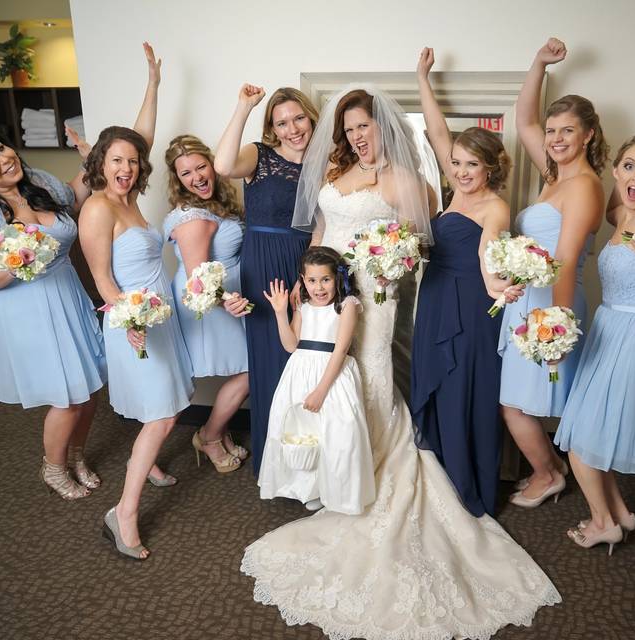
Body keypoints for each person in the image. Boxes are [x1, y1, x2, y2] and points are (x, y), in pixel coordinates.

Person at [241, 84, 560, 640]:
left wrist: (391, 271)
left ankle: (371, 468)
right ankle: (333, 472)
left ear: (382, 128)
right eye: (350, 129)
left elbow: (420, 247)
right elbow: (320, 230)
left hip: (374, 294)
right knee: (324, 378)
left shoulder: (407, 180)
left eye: (365, 127)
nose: (357, 137)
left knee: (367, 380)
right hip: (325, 291)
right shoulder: (336, 174)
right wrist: (303, 285)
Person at [0, 123, 105, 501]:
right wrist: (15, 263)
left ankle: (76, 455)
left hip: (65, 291)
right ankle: (53, 468)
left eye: (2, 149)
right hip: (24, 307)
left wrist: (90, 162)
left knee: (91, 386)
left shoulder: (39, 182)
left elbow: (74, 198)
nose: (4, 159)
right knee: (65, 396)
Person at [79, 43, 193, 560]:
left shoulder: (129, 198)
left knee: (163, 403)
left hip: (158, 315)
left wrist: (153, 80)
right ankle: (122, 512)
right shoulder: (99, 208)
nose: (126, 166)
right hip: (132, 320)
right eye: (116, 160)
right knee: (164, 416)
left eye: (131, 161)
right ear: (99, 162)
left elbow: (138, 136)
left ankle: (145, 463)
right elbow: (102, 278)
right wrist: (129, 321)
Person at [554, 133, 635, 554]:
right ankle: (622, 513)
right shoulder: (620, 213)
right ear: (616, 171)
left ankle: (603, 523)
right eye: (629, 165)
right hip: (606, 328)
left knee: (580, 442)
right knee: (595, 432)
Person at [500, 37, 606, 508]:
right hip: (527, 302)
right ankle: (553, 470)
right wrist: (538, 62)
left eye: (567, 131)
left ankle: (549, 474)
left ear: (588, 135)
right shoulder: (553, 175)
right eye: (553, 131)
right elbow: (524, 119)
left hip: (551, 306)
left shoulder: (583, 186)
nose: (556, 138)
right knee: (518, 400)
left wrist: (555, 328)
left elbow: (564, 261)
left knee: (517, 404)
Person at [410, 47, 511, 517]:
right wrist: (422, 79)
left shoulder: (495, 206)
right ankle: (438, 474)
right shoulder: (453, 191)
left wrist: (497, 290)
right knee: (437, 385)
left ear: (490, 167)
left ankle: (465, 481)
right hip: (434, 299)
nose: (462, 172)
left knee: (464, 389)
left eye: (472, 165)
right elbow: (437, 133)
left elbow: (488, 257)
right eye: (457, 164)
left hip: (472, 306)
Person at [213, 84, 319, 474]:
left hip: (310, 264)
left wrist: (308, 275)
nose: (292, 128)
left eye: (298, 118)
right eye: (282, 122)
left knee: (308, 361)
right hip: (264, 264)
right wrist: (243, 106)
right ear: (272, 127)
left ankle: (309, 461)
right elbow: (223, 166)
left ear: (311, 117)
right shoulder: (260, 155)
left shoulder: (327, 162)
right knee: (273, 361)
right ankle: (278, 465)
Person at [257, 247, 374, 514]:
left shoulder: (347, 306)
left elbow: (341, 350)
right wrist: (279, 312)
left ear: (337, 278)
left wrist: (321, 390)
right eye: (311, 280)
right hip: (299, 371)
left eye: (325, 280)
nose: (319, 287)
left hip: (331, 375)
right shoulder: (303, 306)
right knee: (302, 431)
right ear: (302, 280)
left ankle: (332, 489)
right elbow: (290, 346)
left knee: (336, 432)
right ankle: (305, 487)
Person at [162, 134, 249, 473]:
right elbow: (199, 278)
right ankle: (210, 436)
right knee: (249, 371)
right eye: (186, 173)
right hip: (209, 301)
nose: (196, 177)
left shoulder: (215, 203)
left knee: (246, 369)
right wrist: (225, 301)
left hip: (227, 295)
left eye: (201, 167)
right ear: (177, 179)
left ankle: (217, 432)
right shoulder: (194, 217)